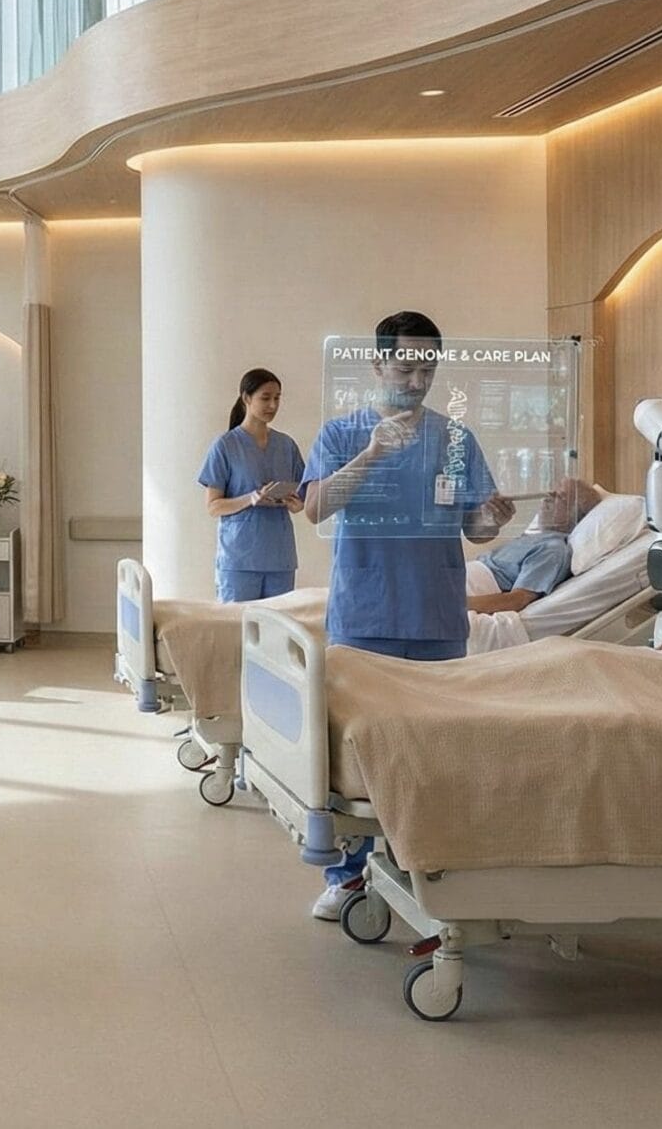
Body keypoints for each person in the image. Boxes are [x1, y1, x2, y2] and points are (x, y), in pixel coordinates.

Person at [301, 311, 514, 909]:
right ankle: (347, 877)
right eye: (405, 364)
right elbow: (315, 508)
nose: (417, 377)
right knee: (357, 751)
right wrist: (371, 453)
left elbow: (472, 528)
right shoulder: (342, 434)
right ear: (377, 364)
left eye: (427, 366)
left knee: (434, 751)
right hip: (365, 610)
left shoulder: (455, 439)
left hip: (436, 614)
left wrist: (492, 517)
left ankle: (427, 867)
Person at [199, 368, 307, 603]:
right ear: (246, 398)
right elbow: (213, 506)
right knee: (237, 627)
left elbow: (303, 495)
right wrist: (251, 498)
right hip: (239, 559)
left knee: (280, 629)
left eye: (277, 398)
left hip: (280, 557)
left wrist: (297, 504)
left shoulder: (286, 445)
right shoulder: (225, 446)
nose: (273, 405)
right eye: (265, 398)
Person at [463, 477, 602, 615]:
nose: (548, 496)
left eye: (560, 497)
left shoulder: (552, 549)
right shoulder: (534, 539)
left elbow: (516, 600)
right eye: (552, 491)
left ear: (575, 514)